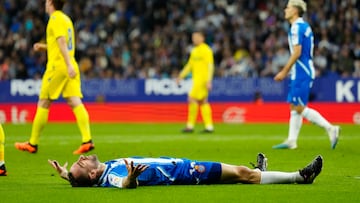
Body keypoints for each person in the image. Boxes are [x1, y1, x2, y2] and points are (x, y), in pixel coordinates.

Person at [15, 0, 94, 154]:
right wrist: (44, 47)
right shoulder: (66, 19)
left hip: (58, 66)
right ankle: (87, 140)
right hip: (70, 63)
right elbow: (64, 43)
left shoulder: (55, 19)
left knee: (44, 101)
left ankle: (33, 143)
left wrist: (67, 64)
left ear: (51, 3)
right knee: (74, 100)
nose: (45, 4)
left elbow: (62, 42)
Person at [273, 0, 340, 150]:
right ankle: (291, 140)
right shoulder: (305, 26)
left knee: (298, 107)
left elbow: (297, 52)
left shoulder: (296, 27)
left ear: (295, 10)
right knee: (293, 105)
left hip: (301, 71)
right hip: (303, 69)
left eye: (288, 7)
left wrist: (284, 71)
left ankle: (330, 128)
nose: (285, 10)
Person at [48, 153, 323, 188]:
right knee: (243, 174)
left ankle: (262, 172)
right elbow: (122, 184)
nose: (82, 157)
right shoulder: (112, 176)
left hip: (181, 166)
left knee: (239, 174)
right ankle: (300, 177)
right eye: (81, 163)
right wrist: (131, 179)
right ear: (94, 174)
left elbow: (81, 181)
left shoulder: (100, 173)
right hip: (187, 172)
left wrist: (67, 174)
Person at [176, 31, 215, 133]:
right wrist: (181, 75)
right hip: (196, 79)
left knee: (191, 98)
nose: (194, 39)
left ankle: (190, 126)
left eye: (196, 37)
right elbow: (190, 65)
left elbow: (210, 66)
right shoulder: (194, 51)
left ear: (202, 38)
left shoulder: (206, 50)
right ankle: (209, 126)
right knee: (203, 101)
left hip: (202, 80)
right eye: (193, 37)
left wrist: (208, 80)